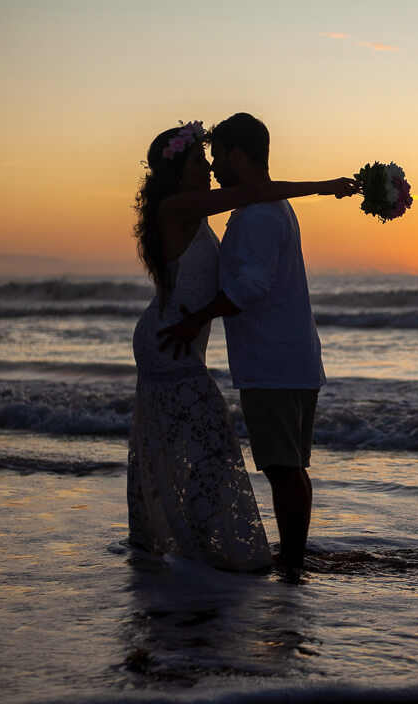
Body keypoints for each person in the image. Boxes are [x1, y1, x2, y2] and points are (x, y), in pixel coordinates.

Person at [128, 119, 354, 572]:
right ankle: (205, 546)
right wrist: (324, 185)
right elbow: (253, 194)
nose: (209, 166)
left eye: (211, 157)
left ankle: (206, 544)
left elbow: (256, 196)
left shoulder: (204, 209)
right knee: (201, 446)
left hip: (186, 336)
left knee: (202, 447)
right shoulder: (177, 206)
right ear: (178, 171)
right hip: (171, 339)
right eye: (198, 160)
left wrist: (322, 186)